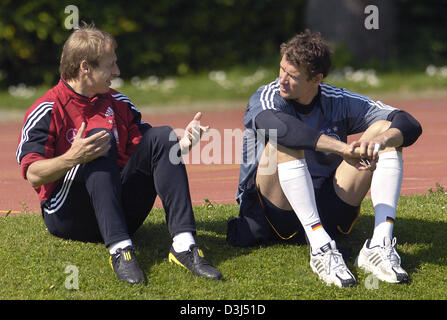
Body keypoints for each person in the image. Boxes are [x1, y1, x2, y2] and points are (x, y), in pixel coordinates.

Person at [16, 23, 223, 284]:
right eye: (110, 65)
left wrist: (184, 144)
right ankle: (120, 249)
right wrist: (73, 157)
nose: (117, 71)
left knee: (162, 135)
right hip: (69, 218)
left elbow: (152, 154)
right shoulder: (47, 108)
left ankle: (184, 245)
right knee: (98, 141)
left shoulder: (119, 103)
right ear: (85, 68)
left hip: (121, 210)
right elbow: (34, 175)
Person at [227, 30, 422, 287]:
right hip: (275, 211)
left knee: (386, 131)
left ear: (316, 79)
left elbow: (408, 123)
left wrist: (381, 142)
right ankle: (320, 248)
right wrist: (343, 149)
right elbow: (282, 129)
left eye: (293, 76)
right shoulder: (267, 96)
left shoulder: (337, 99)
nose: (282, 79)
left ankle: (379, 244)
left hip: (329, 205)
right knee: (282, 140)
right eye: (281, 70)